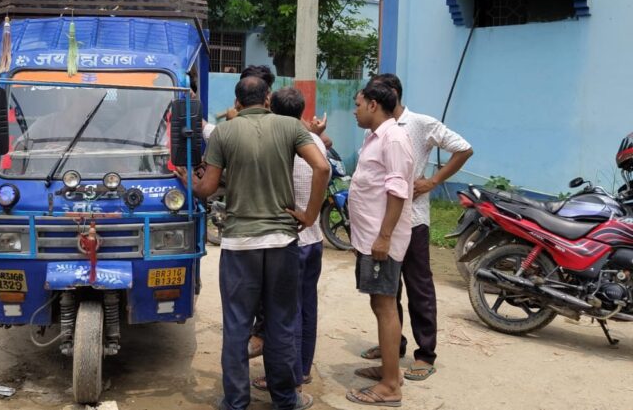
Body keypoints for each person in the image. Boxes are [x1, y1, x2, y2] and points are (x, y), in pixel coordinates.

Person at [178, 76, 330, 410]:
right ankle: (286, 399)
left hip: (239, 244)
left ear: (237, 101)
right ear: (267, 98)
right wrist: (310, 214)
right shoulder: (290, 127)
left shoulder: (224, 133)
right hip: (281, 241)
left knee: (237, 325)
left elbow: (208, 189)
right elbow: (322, 167)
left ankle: (235, 400)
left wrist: (191, 181)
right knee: (281, 322)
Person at [358, 73, 473, 381]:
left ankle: (425, 353)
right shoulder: (376, 129)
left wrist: (434, 180)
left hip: (413, 219)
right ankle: (394, 348)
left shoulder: (418, 124)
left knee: (418, 286)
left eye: (370, 95)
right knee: (387, 290)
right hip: (384, 221)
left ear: (389, 95)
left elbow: (463, 148)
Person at [250, 87, 327, 392]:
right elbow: (325, 170)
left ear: (273, 110)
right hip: (315, 238)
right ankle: (303, 369)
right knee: (307, 306)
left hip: (290, 239)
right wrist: (313, 215)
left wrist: (305, 214)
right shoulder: (316, 140)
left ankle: (287, 376)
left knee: (285, 312)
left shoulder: (280, 143)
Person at [345, 81, 415, 407]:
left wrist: (384, 236)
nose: (355, 110)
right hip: (371, 238)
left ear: (373, 105)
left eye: (358, 104)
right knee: (379, 304)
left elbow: (397, 190)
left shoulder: (394, 138)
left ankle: (390, 386)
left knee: (385, 306)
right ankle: (390, 370)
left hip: (381, 241)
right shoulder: (376, 137)